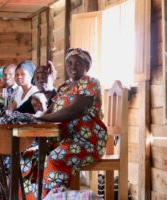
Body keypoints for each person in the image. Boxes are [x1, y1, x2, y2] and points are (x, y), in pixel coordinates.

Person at [20, 48, 108, 199]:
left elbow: (74, 111)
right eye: (69, 63)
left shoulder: (90, 83)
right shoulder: (65, 86)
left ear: (87, 66)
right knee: (31, 155)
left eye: (78, 63)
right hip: (64, 139)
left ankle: (58, 196)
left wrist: (42, 119)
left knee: (55, 157)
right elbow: (50, 110)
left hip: (87, 141)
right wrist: (36, 117)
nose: (73, 67)